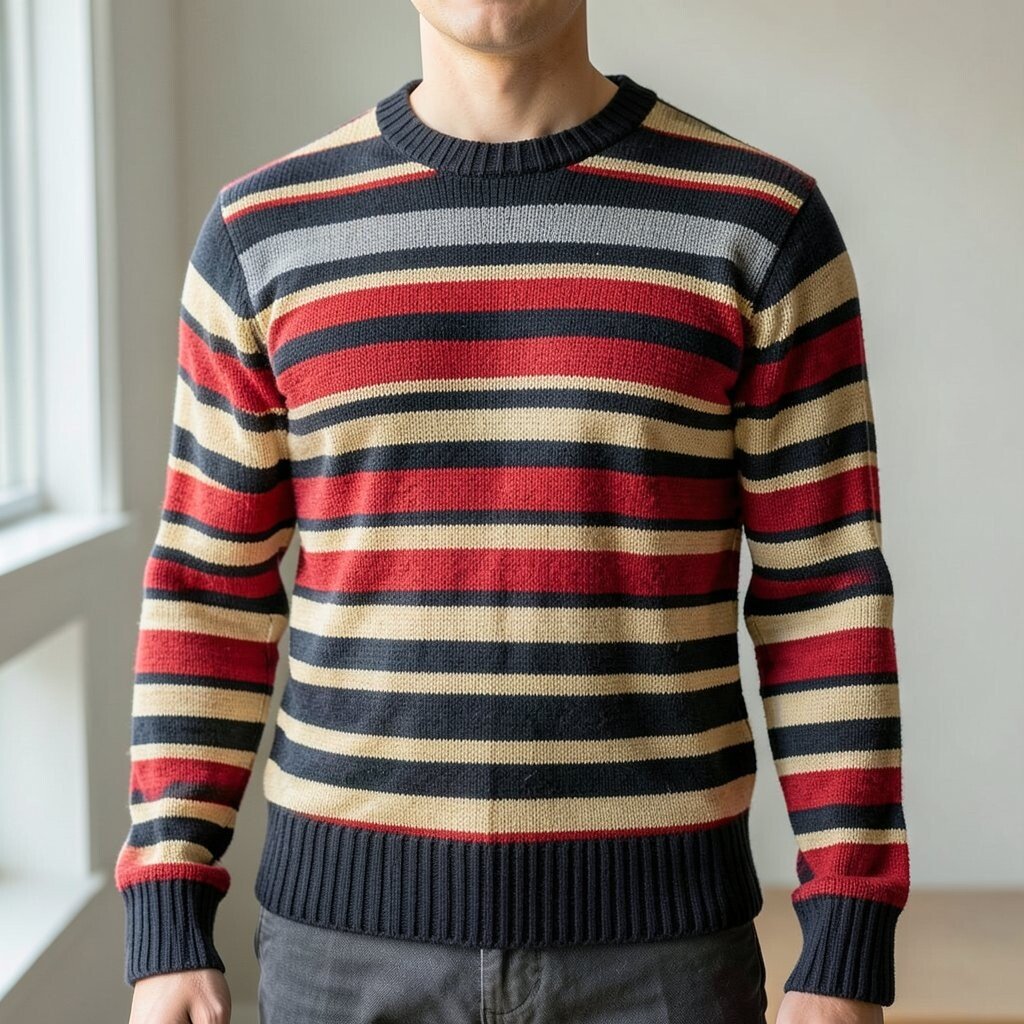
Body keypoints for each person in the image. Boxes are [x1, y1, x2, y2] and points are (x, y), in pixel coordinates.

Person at [116, 2, 910, 1022]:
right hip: (342, 958)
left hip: (660, 959)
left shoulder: (760, 224)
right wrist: (168, 900)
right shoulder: (261, 233)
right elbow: (208, 586)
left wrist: (845, 933)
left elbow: (824, 592)